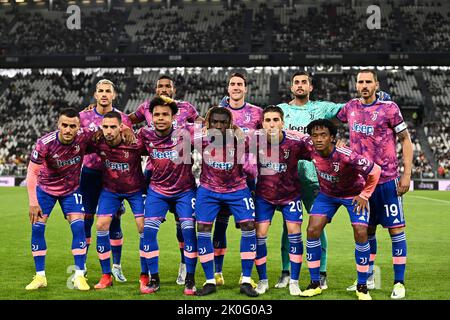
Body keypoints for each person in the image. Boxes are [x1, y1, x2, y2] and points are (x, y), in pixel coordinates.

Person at [276, 71, 390, 289]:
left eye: (304, 82)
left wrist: (376, 98)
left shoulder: (322, 108)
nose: (300, 86)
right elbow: (264, 124)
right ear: (291, 87)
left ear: (311, 87)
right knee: (288, 226)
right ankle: (285, 271)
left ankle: (321, 272)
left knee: (317, 225)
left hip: (315, 179)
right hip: (288, 177)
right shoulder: (281, 110)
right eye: (296, 83)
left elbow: (350, 108)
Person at [337, 70, 413, 299]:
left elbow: (406, 140)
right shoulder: (350, 107)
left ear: (376, 84)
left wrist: (407, 174)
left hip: (388, 180)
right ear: (356, 85)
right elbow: (331, 115)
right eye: (360, 81)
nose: (364, 85)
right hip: (361, 183)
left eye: (368, 81)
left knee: (396, 230)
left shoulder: (390, 108)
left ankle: (399, 283)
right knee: (366, 231)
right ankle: (368, 277)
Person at [129, 75, 202, 286]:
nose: (161, 118)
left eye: (165, 115)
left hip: (185, 190)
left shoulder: (187, 131)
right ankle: (154, 278)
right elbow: (125, 139)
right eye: (157, 115)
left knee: (187, 231)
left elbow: (213, 134)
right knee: (147, 231)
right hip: (157, 189)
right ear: (151, 116)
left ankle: (189, 277)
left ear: (173, 117)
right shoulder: (144, 134)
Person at [299, 119, 381, 300]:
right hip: (327, 195)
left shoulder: (347, 155)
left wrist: (365, 195)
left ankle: (362, 286)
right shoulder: (310, 147)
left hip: (353, 194)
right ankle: (315, 283)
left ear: (333, 138)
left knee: (361, 232)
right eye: (315, 135)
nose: (318, 139)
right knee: (312, 230)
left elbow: (375, 170)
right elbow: (296, 136)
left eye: (323, 135)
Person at [25, 108, 96, 291]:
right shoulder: (45, 143)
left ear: (78, 127)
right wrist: (33, 202)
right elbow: (32, 172)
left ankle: (79, 275)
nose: (68, 129)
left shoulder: (84, 137)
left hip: (71, 190)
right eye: (64, 125)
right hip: (46, 190)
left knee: (79, 226)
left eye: (72, 126)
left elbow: (106, 133)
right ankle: (40, 276)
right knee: (38, 227)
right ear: (58, 125)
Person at [195, 107, 258, 297]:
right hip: (208, 189)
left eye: (223, 122)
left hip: (237, 189)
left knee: (249, 225)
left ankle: (246, 280)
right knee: (203, 228)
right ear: (209, 123)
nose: (219, 126)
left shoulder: (241, 140)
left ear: (229, 124)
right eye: (215, 122)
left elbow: (265, 137)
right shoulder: (201, 139)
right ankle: (209, 280)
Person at [253, 106, 311, 296]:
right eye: (268, 120)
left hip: (290, 195)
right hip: (264, 196)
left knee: (295, 233)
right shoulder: (255, 140)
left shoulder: (296, 142)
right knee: (259, 236)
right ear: (263, 124)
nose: (272, 124)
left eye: (275, 120)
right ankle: (262, 281)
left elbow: (318, 152)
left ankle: (294, 281)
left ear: (282, 122)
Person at [79, 79, 133, 283]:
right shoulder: (83, 116)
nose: (103, 94)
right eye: (100, 91)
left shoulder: (123, 118)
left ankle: (116, 266)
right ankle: (81, 266)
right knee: (86, 219)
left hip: (113, 176)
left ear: (114, 95)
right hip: (90, 174)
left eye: (107, 91)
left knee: (114, 221)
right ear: (95, 95)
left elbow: (130, 145)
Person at [213, 72, 262, 287]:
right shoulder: (218, 113)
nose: (236, 87)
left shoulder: (257, 113)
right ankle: (217, 272)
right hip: (221, 178)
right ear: (228, 88)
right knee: (220, 226)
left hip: (248, 179)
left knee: (250, 226)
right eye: (232, 84)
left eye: (240, 84)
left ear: (245, 88)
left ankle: (248, 275)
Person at [89, 111, 147, 290]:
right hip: (110, 191)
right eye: (105, 126)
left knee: (143, 227)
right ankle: (106, 275)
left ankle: (145, 275)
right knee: (100, 226)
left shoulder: (135, 143)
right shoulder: (98, 141)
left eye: (113, 127)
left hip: (135, 190)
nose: (108, 131)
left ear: (121, 127)